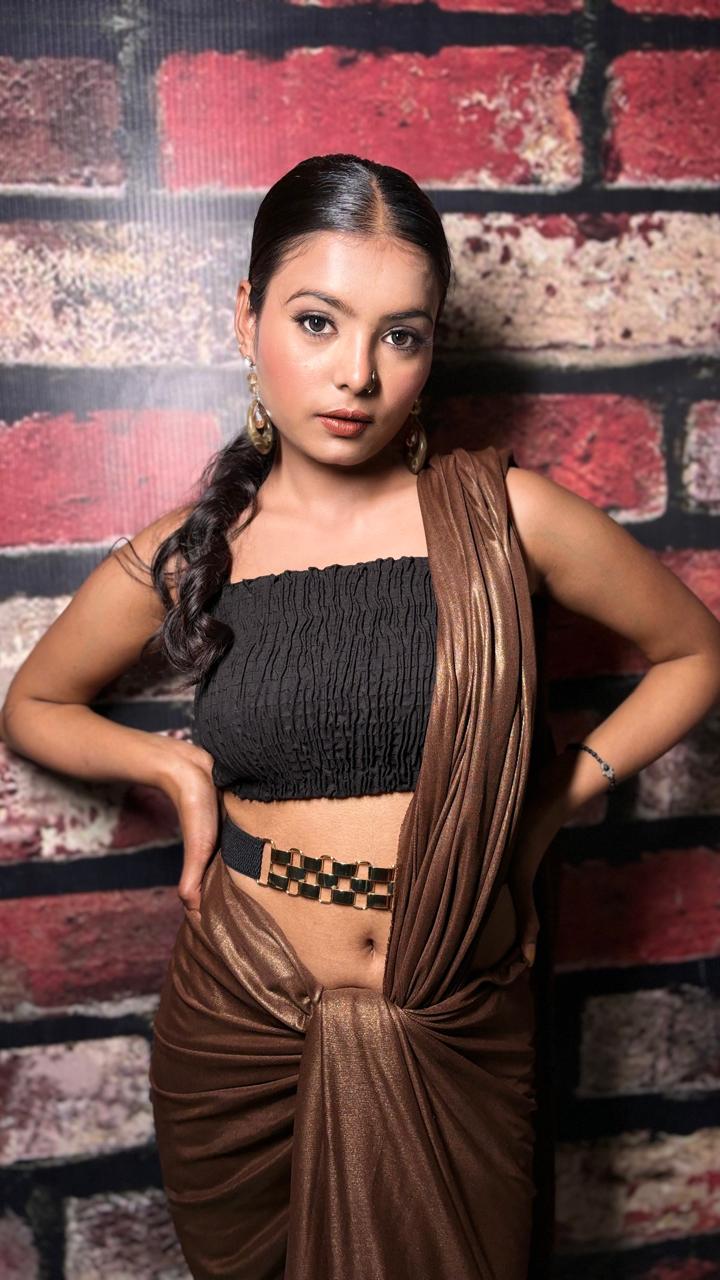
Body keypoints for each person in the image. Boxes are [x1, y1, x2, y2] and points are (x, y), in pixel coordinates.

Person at [2, 153, 720, 1280]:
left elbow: (693, 652)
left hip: (453, 1022)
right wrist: (178, 771)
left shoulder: (506, 518)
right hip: (244, 1033)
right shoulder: (197, 550)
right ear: (246, 316)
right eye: (317, 321)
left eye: (402, 335)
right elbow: (34, 703)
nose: (357, 375)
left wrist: (549, 801)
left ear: (431, 350)